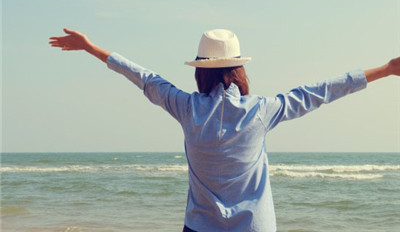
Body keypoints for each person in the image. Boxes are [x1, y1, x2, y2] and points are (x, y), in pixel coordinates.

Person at [49, 27, 399, 232]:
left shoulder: (186, 107)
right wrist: (385, 69)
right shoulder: (262, 110)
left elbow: (143, 78)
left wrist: (91, 48)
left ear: (201, 71)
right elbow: (320, 91)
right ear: (239, 71)